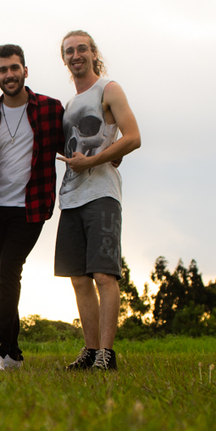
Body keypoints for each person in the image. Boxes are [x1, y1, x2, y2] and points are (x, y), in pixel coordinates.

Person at [54, 31, 141, 371]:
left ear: (93, 53)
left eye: (81, 49)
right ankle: (89, 351)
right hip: (71, 196)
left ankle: (107, 353)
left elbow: (133, 136)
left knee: (104, 275)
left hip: (102, 193)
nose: (76, 55)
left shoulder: (109, 89)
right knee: (78, 278)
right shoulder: (69, 105)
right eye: (69, 51)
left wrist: (96, 159)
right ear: (64, 59)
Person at [0, 44, 65, 371]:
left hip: (30, 207)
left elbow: (76, 143)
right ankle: (13, 355)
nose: (9, 75)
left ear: (25, 71)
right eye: (2, 70)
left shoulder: (51, 109)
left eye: (14, 68)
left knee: (9, 271)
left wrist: (111, 152)